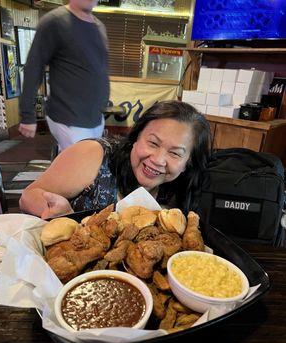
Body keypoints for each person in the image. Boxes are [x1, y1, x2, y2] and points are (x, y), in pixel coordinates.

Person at [19, 100, 212, 219]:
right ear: (136, 138)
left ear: (188, 162)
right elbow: (28, 196)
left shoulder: (181, 189)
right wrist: (65, 217)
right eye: (153, 143)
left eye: (175, 153)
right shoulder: (94, 154)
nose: (159, 160)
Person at [18, 0, 109, 151]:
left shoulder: (99, 26)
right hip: (69, 117)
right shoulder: (55, 21)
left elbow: (99, 70)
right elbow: (34, 67)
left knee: (85, 166)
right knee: (80, 170)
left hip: (95, 118)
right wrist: (27, 114)